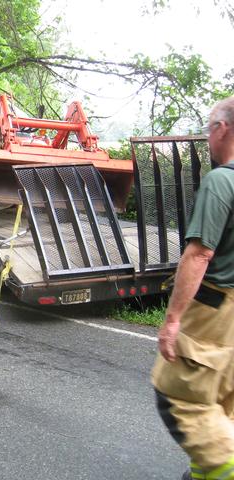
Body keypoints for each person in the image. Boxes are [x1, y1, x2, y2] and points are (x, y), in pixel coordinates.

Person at [152, 96, 234, 480]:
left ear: (222, 128)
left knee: (181, 397)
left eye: (208, 129)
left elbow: (199, 254)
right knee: (223, 402)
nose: (207, 137)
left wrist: (172, 320)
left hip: (214, 311)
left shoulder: (222, 180)